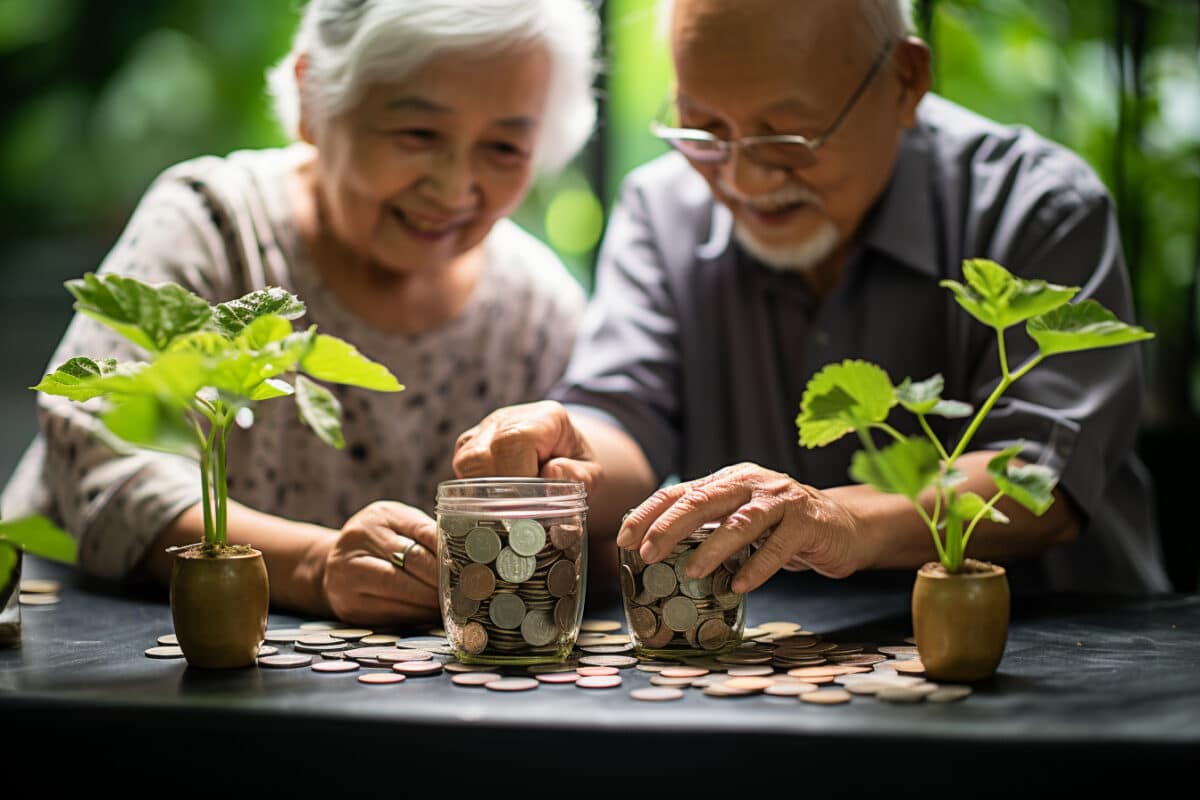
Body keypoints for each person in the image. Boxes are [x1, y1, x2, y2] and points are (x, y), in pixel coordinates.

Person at [453, 0, 1171, 597]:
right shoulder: (661, 209)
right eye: (703, 131)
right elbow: (625, 415)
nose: (744, 179)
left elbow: (1037, 475)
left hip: (1055, 664)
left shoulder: (1035, 207)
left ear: (905, 82)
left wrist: (844, 520)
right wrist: (571, 449)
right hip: (772, 672)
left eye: (787, 137)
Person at [0, 0, 601, 624]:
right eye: (418, 134)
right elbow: (99, 456)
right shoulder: (214, 225)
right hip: (82, 661)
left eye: (504, 147)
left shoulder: (537, 309)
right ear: (313, 98)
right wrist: (315, 566)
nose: (453, 189)